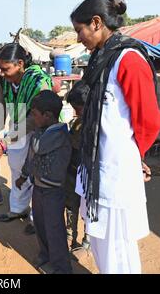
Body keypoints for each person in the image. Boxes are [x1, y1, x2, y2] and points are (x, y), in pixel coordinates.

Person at [70, 0, 160, 274]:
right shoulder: (102, 58)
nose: (78, 39)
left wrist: (136, 157)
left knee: (117, 248)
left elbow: (149, 121)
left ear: (96, 23)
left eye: (80, 30)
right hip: (96, 169)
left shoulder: (129, 59)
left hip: (115, 171)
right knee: (100, 240)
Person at [0, 43, 53, 233]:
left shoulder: (38, 80)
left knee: (37, 174)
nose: (2, 73)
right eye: (0, 68)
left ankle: (37, 217)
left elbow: (36, 118)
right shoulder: (4, 82)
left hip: (41, 130)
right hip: (18, 129)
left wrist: (5, 142)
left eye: (5, 69)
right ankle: (19, 209)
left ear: (19, 63)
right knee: (17, 169)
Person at [16, 90, 72, 274]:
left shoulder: (59, 132)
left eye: (34, 114)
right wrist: (24, 175)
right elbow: (30, 157)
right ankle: (45, 253)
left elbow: (38, 148)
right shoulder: (41, 131)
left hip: (53, 192)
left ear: (48, 115)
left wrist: (33, 132)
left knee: (55, 229)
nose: (32, 117)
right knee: (40, 225)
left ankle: (61, 267)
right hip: (38, 189)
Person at [64, 81, 91, 251]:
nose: (75, 112)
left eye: (78, 108)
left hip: (87, 173)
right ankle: (69, 235)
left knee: (88, 208)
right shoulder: (76, 123)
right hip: (72, 171)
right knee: (70, 204)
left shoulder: (97, 125)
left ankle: (87, 241)